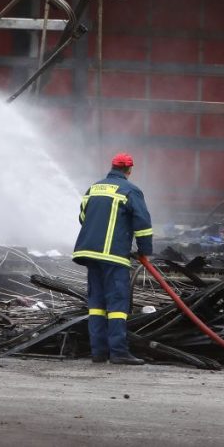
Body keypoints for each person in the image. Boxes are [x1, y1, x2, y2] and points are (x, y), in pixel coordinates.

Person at [73, 152, 153, 365]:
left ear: (112, 167)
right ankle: (118, 352)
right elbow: (143, 224)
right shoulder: (131, 190)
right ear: (129, 170)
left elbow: (83, 217)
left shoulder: (94, 188)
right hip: (114, 256)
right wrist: (145, 251)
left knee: (96, 304)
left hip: (90, 254)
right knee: (117, 305)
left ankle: (98, 353)